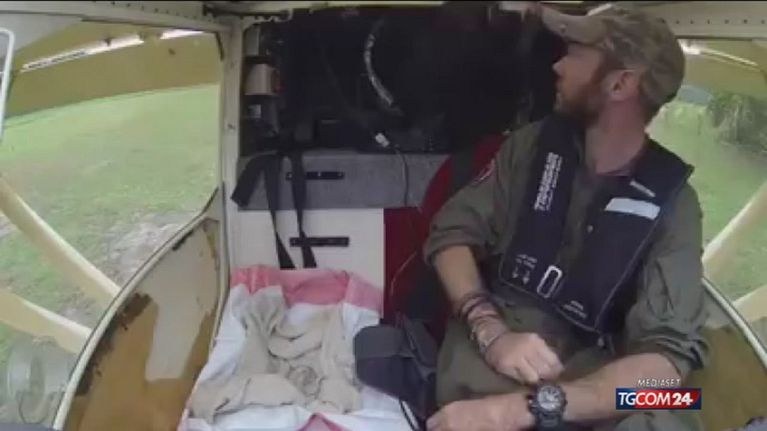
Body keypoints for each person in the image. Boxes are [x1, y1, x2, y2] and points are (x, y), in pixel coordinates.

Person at [422, 3, 709, 431]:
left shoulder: (675, 204)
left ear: (620, 84)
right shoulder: (530, 147)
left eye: (575, 54)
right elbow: (449, 236)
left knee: (678, 404)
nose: (557, 66)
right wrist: (492, 332)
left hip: (592, 387)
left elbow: (668, 369)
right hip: (497, 361)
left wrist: (531, 407)